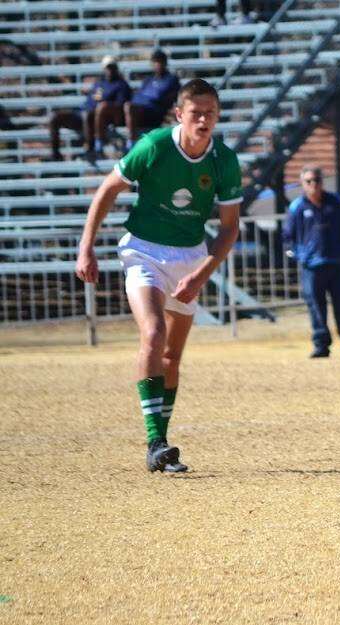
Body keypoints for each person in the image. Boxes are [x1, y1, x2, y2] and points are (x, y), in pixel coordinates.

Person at [74, 79, 242, 474]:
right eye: (195, 112)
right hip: (143, 251)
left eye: (210, 113)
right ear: (179, 114)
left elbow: (230, 228)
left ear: (217, 116)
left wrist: (201, 274)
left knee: (172, 356)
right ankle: (155, 440)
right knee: (153, 334)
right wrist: (86, 247)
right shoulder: (154, 146)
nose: (203, 119)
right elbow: (108, 189)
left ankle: (161, 447)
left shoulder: (224, 160)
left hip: (191, 256)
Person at [283, 165, 340, 358]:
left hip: (336, 263)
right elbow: (288, 236)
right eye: (309, 181)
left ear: (322, 181)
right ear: (302, 184)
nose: (314, 185)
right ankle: (321, 345)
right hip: (311, 266)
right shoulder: (297, 207)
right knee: (316, 307)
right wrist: (299, 254)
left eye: (317, 180)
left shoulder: (335, 203)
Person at [49, 55, 132, 162]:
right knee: (55, 118)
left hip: (99, 120)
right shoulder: (99, 83)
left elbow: (119, 107)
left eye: (112, 67)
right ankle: (55, 155)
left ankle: (90, 149)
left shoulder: (121, 85)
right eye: (107, 67)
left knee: (87, 115)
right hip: (82, 115)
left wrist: (103, 108)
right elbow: (89, 101)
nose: (109, 70)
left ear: (116, 68)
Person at [124, 49, 180, 148]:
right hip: (143, 111)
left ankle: (131, 142)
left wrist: (148, 99)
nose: (157, 64)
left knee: (129, 107)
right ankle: (131, 140)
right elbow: (137, 97)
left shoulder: (171, 79)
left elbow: (160, 97)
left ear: (165, 63)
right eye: (155, 61)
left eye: (160, 61)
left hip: (156, 113)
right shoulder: (148, 80)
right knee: (127, 106)